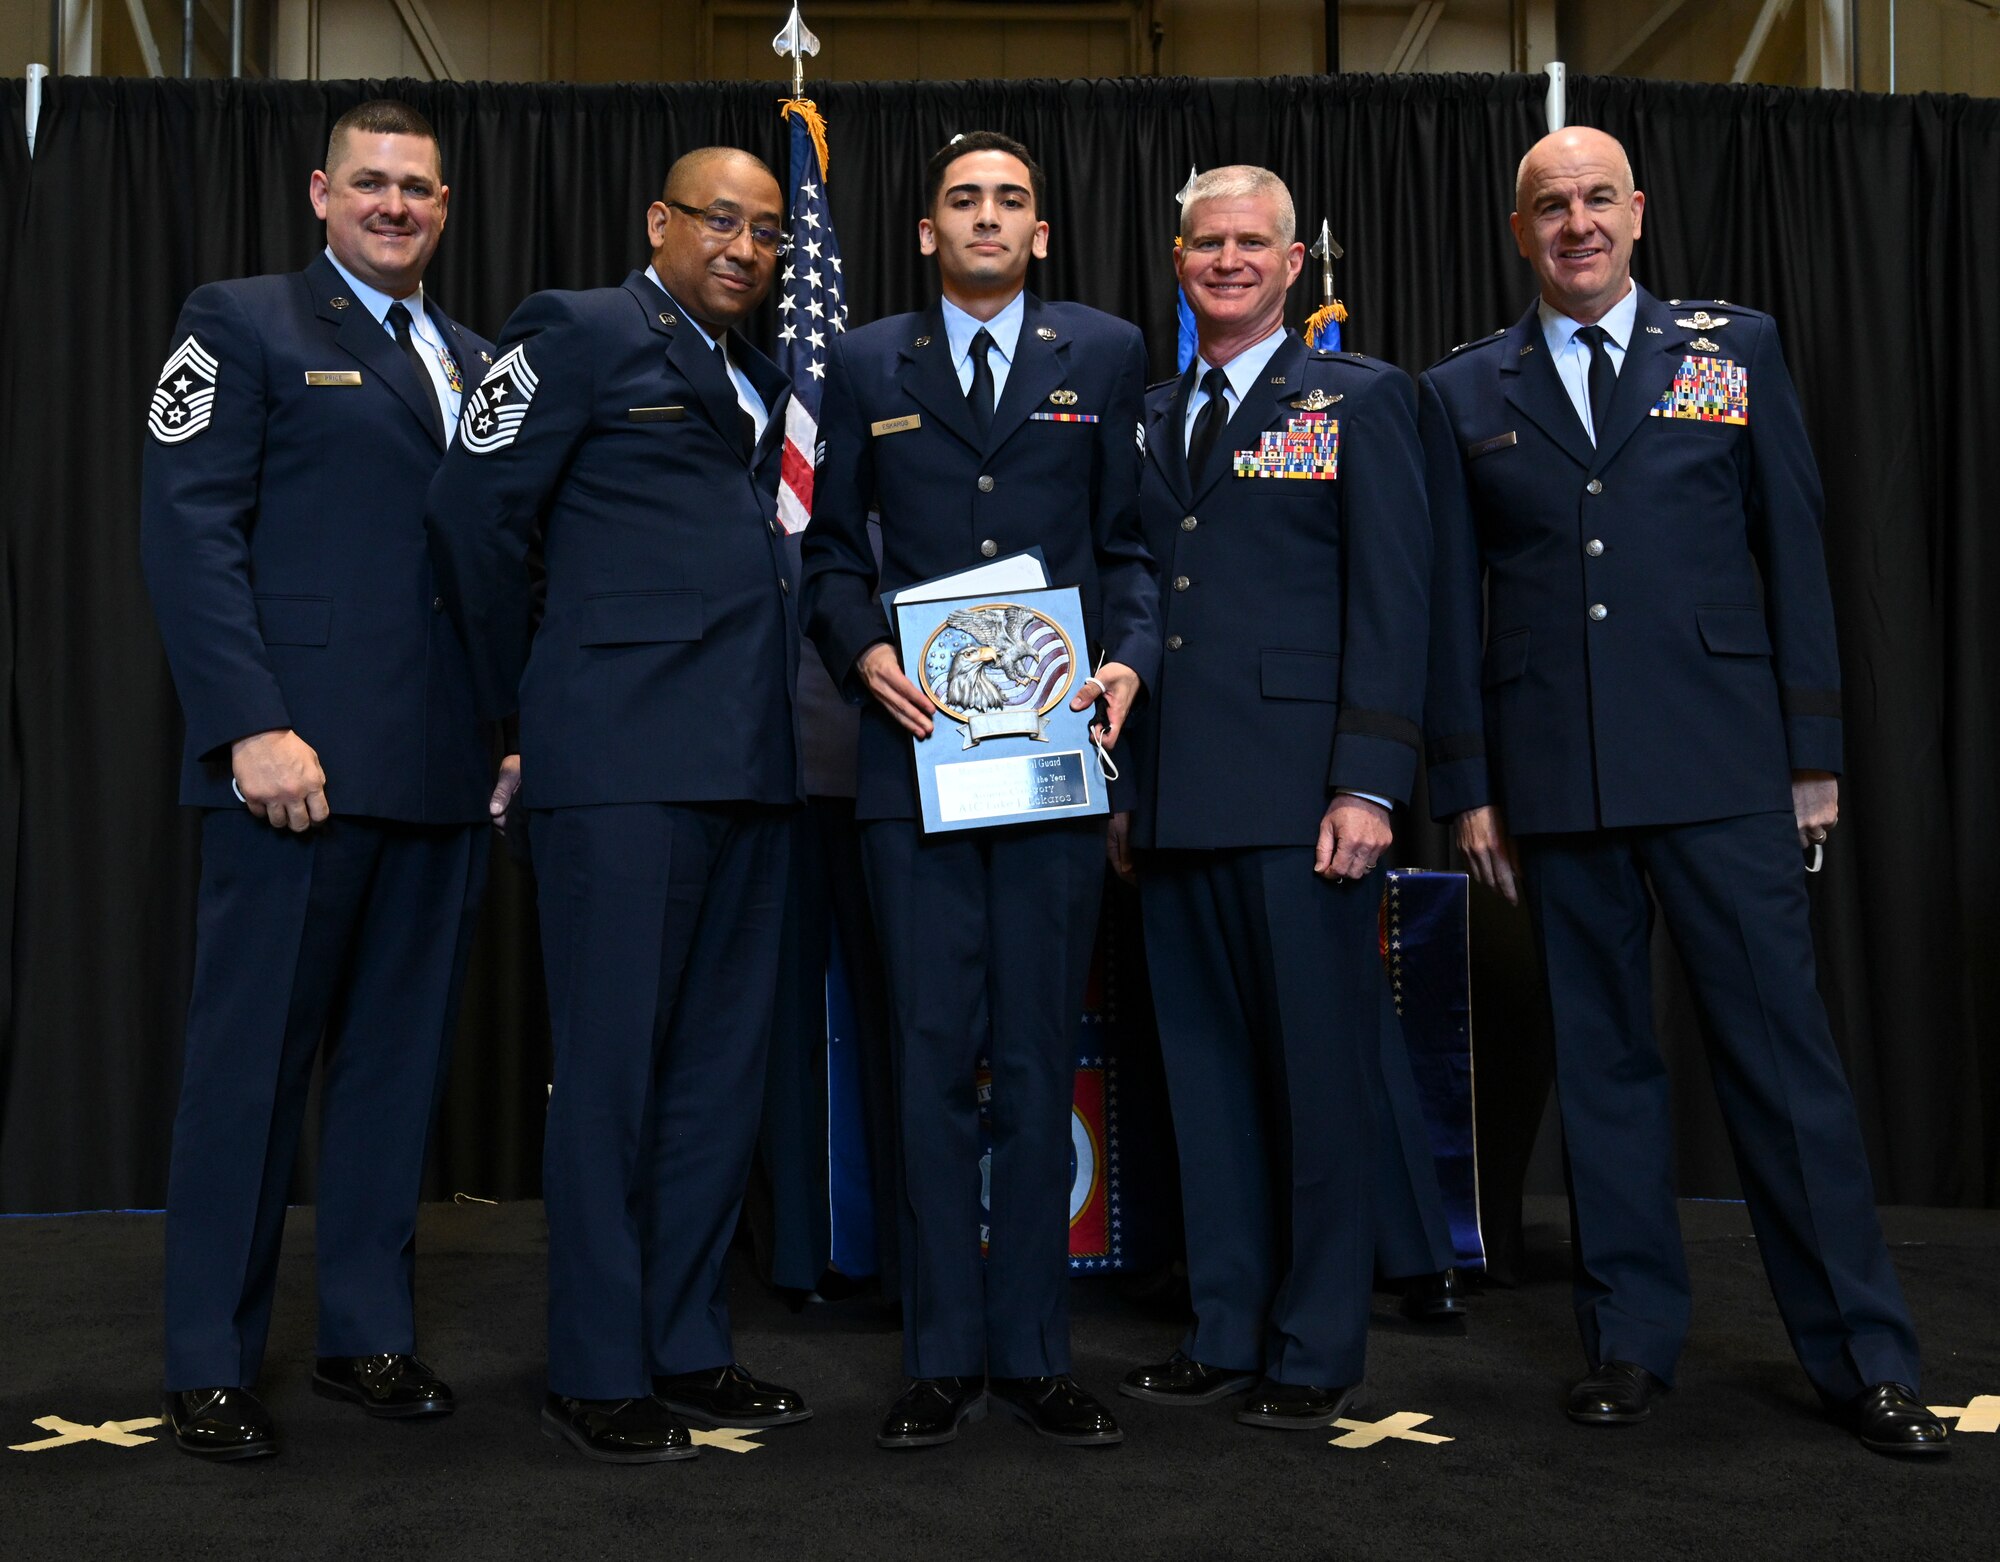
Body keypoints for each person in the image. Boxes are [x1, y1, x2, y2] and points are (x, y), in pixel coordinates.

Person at [1419, 125, 1947, 1456]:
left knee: (1786, 1068)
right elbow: (1446, 612)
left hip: (1723, 766)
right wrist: (1469, 786)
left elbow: (1796, 551)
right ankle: (1628, 1342)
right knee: (1604, 1074)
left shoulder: (1734, 352)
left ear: (1640, 214)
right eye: (1550, 204)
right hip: (1561, 777)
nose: (1576, 223)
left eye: (1598, 198)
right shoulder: (1464, 390)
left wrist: (1811, 751)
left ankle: (1863, 1358)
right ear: (1519, 228)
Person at [425, 147, 809, 1465]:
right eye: (720, 220)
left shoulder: (762, 377)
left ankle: (688, 1340)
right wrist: (519, 711)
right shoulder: (577, 329)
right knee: (610, 1076)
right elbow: (475, 513)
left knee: (716, 1078)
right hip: (620, 765)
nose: (745, 247)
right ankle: (595, 1365)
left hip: (753, 767)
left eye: (766, 230)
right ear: (659, 221)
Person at [141, 99, 503, 1461]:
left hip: (438, 770)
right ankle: (209, 1359)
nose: (394, 204)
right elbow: (187, 531)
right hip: (289, 769)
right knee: (248, 1071)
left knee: (394, 1076)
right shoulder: (236, 324)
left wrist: (508, 725)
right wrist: (248, 724)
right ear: (319, 193)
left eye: (416, 186)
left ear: (446, 204)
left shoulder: (475, 359)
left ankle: (364, 1333)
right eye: (371, 183)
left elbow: (483, 564)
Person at [801, 131, 1159, 1450]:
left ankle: (1038, 1352)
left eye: (1012, 199)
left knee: (1032, 1056)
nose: (988, 218)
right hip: (916, 768)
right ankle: (943, 1352)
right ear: (925, 231)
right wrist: (865, 651)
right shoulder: (862, 361)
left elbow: (1131, 545)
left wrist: (1126, 661)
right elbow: (830, 552)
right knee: (931, 1061)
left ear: (1042, 232)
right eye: (964, 199)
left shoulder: (1107, 354)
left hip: (1059, 766)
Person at [1108, 166, 1431, 1428]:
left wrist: (1367, 778)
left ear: (1294, 265)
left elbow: (1394, 602)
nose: (1227, 260)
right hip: (1178, 797)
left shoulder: (1359, 399)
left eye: (1252, 243)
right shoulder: (1146, 414)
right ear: (1177, 257)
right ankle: (1224, 1324)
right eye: (1206, 242)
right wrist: (1129, 794)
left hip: (1305, 800)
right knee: (1203, 1081)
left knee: (1312, 1082)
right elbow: (1142, 602)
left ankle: (1312, 1345)